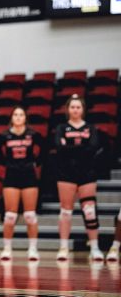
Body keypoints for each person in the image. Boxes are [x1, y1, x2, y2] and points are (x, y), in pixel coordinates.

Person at [55, 94, 103, 261]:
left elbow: (94, 148)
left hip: (87, 173)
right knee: (66, 211)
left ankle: (95, 247)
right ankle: (63, 247)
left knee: (89, 211)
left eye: (78, 107)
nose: (75, 110)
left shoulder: (91, 128)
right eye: (72, 107)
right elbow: (59, 149)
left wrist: (70, 148)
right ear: (68, 110)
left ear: (83, 110)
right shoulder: (61, 128)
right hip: (66, 173)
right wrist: (82, 148)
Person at [0, 106, 42, 261]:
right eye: (15, 114)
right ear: (11, 118)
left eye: (21, 115)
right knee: (10, 216)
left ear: (25, 118)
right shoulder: (4, 135)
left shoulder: (33, 134)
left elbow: (44, 149)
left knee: (30, 215)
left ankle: (33, 249)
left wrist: (35, 162)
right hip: (11, 175)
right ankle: (7, 249)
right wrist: (8, 164)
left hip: (29, 175)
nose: (18, 117)